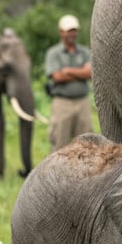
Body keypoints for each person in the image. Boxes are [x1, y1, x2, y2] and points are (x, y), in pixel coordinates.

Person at [45, 14, 93, 152]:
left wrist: (67, 71)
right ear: (61, 32)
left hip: (82, 103)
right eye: (68, 30)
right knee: (60, 144)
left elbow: (90, 74)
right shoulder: (54, 53)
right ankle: (56, 173)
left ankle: (86, 174)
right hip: (62, 104)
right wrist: (80, 73)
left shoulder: (84, 51)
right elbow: (57, 77)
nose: (72, 34)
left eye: (74, 30)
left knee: (87, 145)